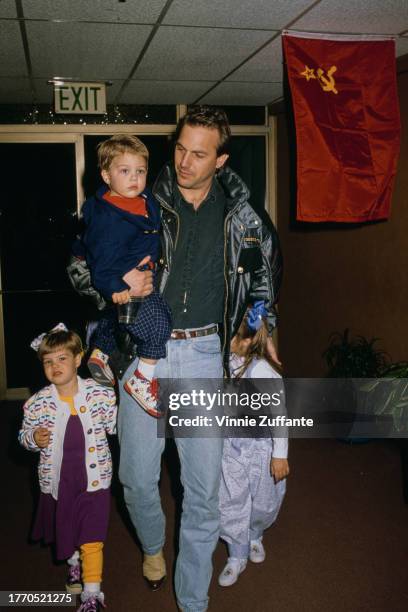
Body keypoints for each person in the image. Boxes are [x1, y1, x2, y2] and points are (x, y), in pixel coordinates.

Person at [115, 106, 283, 612]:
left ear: (221, 159)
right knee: (136, 478)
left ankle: (193, 601)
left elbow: (264, 282)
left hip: (206, 354)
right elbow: (84, 260)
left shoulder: (244, 214)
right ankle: (150, 548)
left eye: (199, 153)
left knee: (201, 490)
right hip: (146, 348)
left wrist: (252, 328)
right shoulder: (141, 201)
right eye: (180, 148)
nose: (185, 161)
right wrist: (110, 285)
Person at [18, 324, 117, 612]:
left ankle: (92, 594)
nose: (54, 366)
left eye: (62, 358)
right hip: (59, 481)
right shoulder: (37, 404)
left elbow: (114, 425)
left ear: (78, 359)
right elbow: (23, 437)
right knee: (69, 530)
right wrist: (33, 438)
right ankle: (74, 564)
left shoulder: (98, 393)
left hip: (95, 479)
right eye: (48, 361)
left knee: (92, 535)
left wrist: (113, 393)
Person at [80, 134, 172, 418]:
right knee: (160, 324)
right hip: (126, 281)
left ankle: (100, 350)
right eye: (125, 171)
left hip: (142, 270)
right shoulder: (107, 215)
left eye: (140, 171)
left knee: (116, 318)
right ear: (106, 175)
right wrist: (115, 285)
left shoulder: (143, 200)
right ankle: (142, 378)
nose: (134, 178)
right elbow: (99, 258)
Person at [217, 302, 289, 587]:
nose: (226, 342)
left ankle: (255, 534)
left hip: (262, 449)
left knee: (263, 502)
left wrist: (279, 455)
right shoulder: (224, 365)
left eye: (231, 337)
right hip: (230, 447)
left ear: (247, 341)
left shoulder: (261, 371)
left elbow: (279, 414)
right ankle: (236, 553)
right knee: (231, 500)